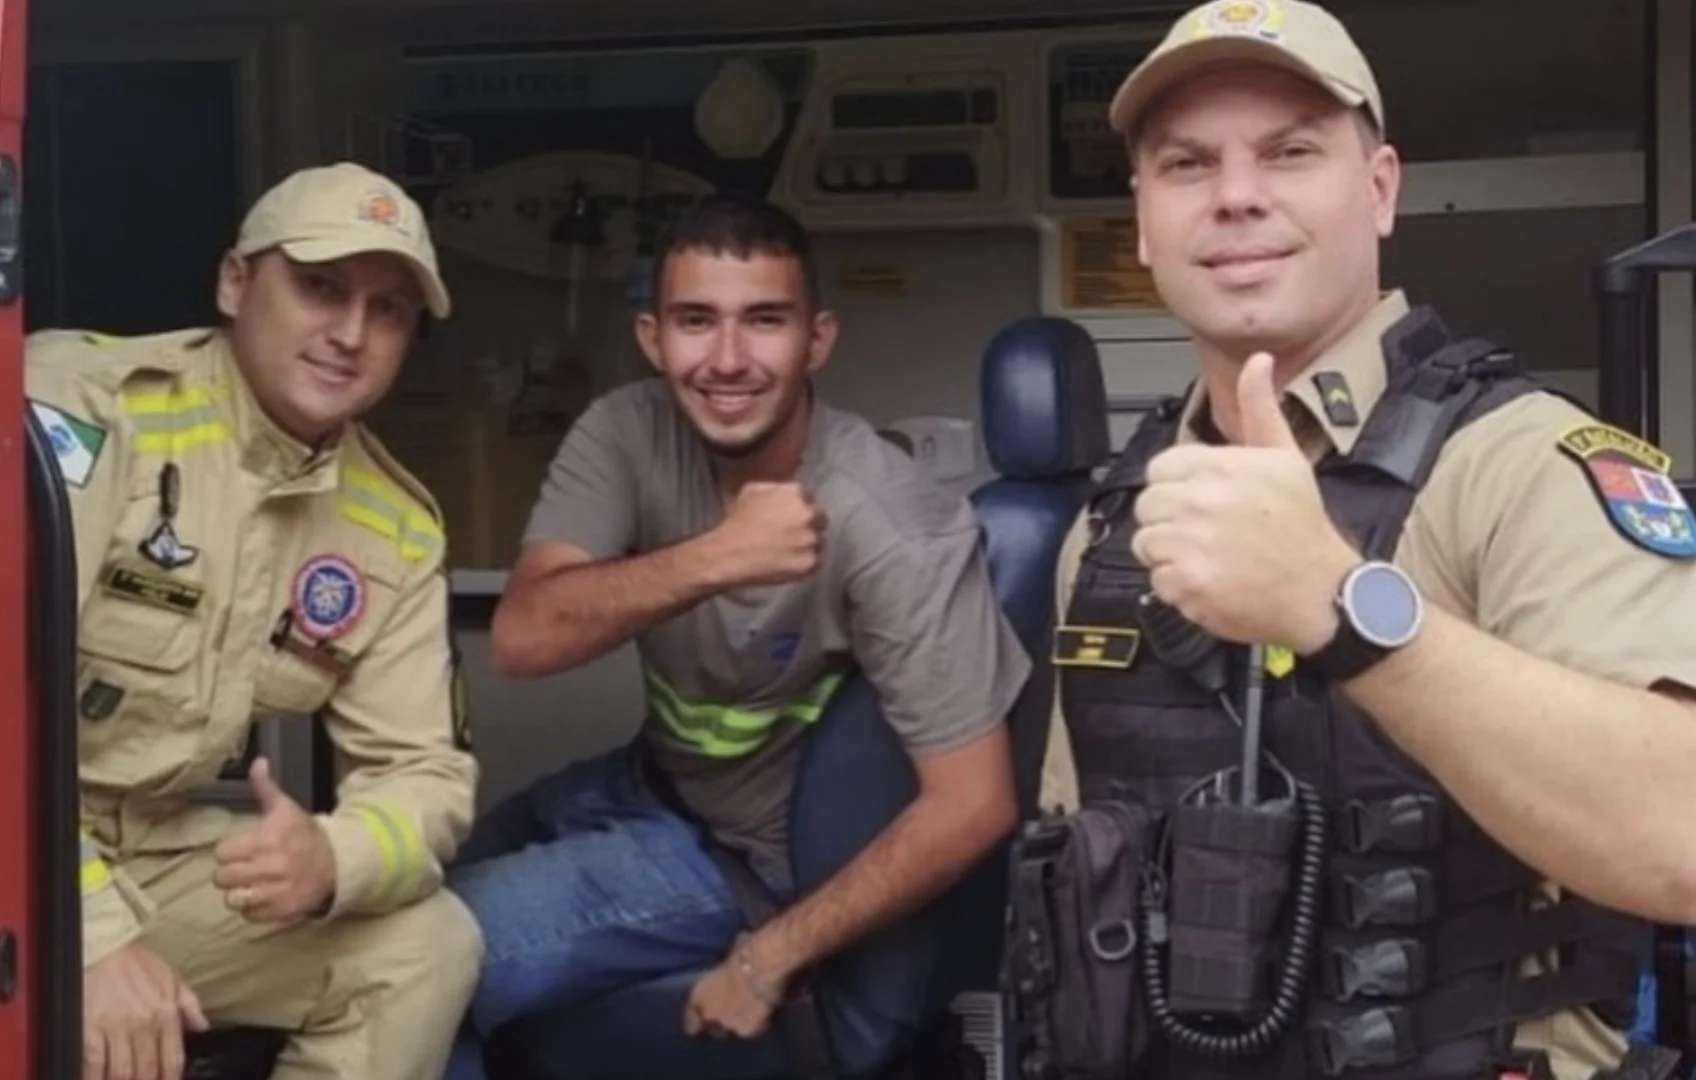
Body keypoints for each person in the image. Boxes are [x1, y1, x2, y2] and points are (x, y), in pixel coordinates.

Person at [1022, 3, 1696, 1080]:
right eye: (1186, 164)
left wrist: (1344, 613)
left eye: (1289, 151)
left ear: (1379, 188)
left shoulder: (1524, 467)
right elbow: (1070, 881)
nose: (1237, 194)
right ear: (1143, 224)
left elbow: (1682, 839)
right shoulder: (1114, 521)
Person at [445, 193, 1027, 1073]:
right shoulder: (626, 429)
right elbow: (525, 638)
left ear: (817, 340)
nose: (726, 359)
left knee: (422, 961)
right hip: (643, 784)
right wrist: (719, 556)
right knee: (406, 894)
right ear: (652, 339)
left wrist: (767, 961)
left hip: (746, 859)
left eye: (763, 321)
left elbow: (974, 806)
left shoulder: (895, 527)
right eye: (695, 321)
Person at [28, 161, 483, 1080]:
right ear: (236, 282)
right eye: (320, 287)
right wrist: (89, 936)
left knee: (426, 947)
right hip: (27, 845)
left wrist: (332, 854)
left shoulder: (391, 524)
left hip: (148, 851)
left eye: (388, 310)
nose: (350, 334)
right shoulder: (82, 407)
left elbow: (424, 775)